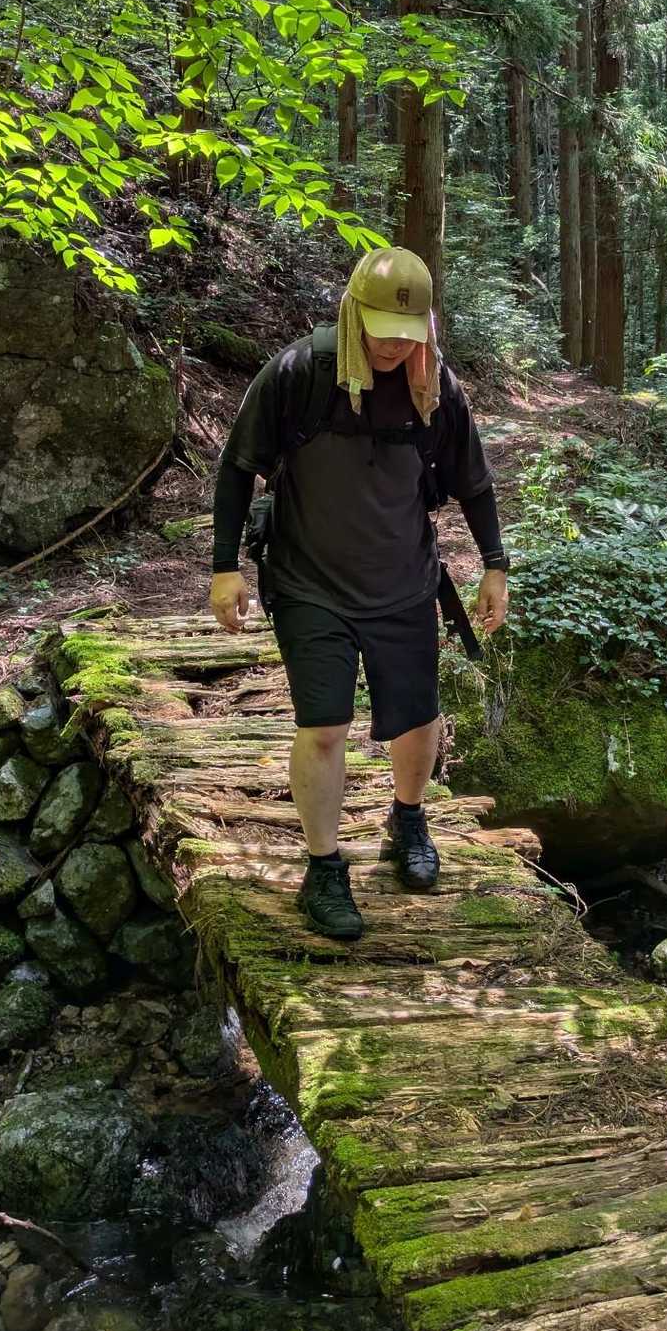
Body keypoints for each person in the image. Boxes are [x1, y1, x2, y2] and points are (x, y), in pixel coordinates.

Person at [208, 247, 510, 941]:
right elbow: (239, 466)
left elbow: (473, 481)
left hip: (404, 581)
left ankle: (408, 820)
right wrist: (225, 566)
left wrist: (494, 565)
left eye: (407, 334)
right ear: (352, 314)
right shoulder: (299, 373)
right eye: (380, 331)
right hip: (309, 582)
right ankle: (323, 869)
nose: (393, 346)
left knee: (418, 717)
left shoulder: (436, 387)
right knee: (323, 725)